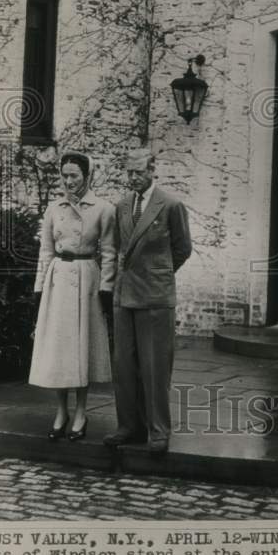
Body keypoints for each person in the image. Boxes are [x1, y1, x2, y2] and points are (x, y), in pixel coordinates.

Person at [104, 149, 192, 453]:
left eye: (138, 172)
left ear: (152, 170)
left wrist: (159, 273)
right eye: (129, 172)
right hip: (124, 294)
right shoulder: (123, 206)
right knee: (123, 365)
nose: (133, 177)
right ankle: (129, 426)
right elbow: (118, 247)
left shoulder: (170, 205)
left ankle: (158, 431)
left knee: (155, 367)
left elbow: (182, 248)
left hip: (155, 295)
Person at [29, 151, 116, 441]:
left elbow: (109, 252)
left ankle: (81, 411)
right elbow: (45, 251)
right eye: (64, 175)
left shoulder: (103, 209)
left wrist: (105, 288)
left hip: (86, 278)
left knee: (81, 348)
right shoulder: (54, 209)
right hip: (58, 280)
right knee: (59, 348)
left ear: (86, 176)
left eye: (74, 176)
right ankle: (61, 411)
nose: (69, 181)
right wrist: (39, 287)